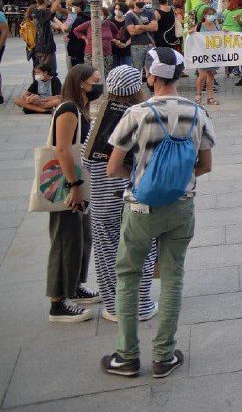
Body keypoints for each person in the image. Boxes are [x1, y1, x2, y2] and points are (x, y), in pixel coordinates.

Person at [101, 47, 215, 379]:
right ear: (178, 76)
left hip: (140, 208)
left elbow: (112, 168)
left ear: (150, 77)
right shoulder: (197, 112)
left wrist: (143, 177)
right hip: (181, 207)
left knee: (128, 276)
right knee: (173, 276)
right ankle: (164, 356)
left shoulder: (137, 114)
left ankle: (127, 355)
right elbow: (205, 166)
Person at [83, 66, 157, 324]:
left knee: (106, 254)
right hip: (136, 197)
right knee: (142, 251)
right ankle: (142, 304)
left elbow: (87, 159)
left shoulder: (96, 123)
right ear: (137, 89)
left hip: (103, 201)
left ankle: (115, 307)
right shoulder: (144, 119)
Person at [45, 63, 100, 322]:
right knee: (65, 239)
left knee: (81, 237)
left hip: (79, 184)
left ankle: (75, 285)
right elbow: (62, 150)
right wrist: (74, 186)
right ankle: (58, 302)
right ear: (81, 83)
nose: (99, 85)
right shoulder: (68, 109)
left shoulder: (81, 109)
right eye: (95, 80)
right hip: (68, 187)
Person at [123, 0, 157, 72]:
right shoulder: (129, 16)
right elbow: (132, 32)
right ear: (134, 1)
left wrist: (140, 26)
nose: (141, 1)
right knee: (137, 70)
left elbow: (155, 28)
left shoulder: (150, 13)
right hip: (137, 46)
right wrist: (148, 26)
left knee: (151, 70)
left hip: (150, 44)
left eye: (142, 0)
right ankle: (137, 84)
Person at [195, 7, 220, 106]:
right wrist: (191, 33)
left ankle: (210, 97)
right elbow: (192, 34)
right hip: (202, 54)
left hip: (213, 54)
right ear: (204, 15)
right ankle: (198, 95)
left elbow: (221, 36)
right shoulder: (200, 25)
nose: (211, 16)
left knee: (211, 75)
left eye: (213, 14)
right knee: (202, 75)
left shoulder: (216, 25)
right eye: (209, 14)